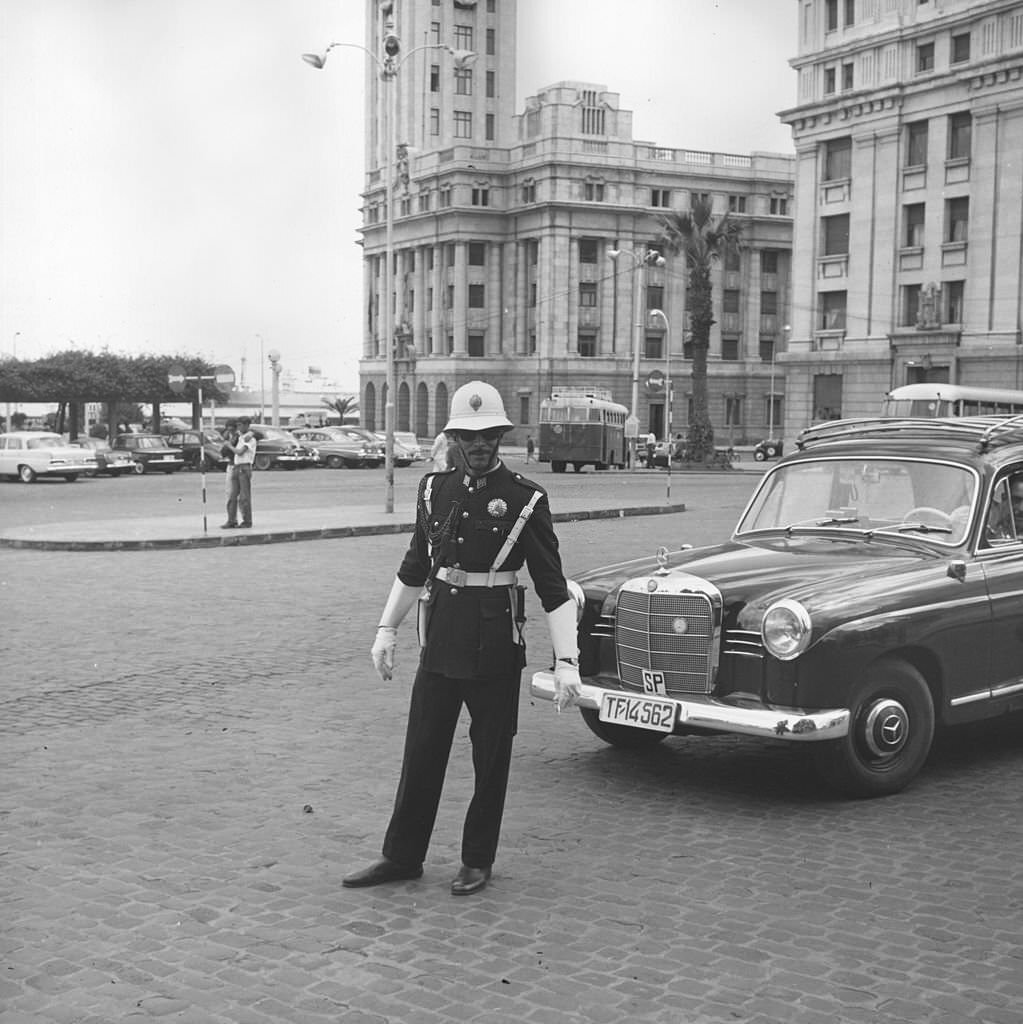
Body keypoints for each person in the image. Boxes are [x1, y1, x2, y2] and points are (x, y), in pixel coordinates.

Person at [343, 380, 583, 896]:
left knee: (489, 759)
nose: (479, 445)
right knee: (421, 751)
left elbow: (552, 585)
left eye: (488, 435)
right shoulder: (434, 490)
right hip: (442, 638)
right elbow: (416, 565)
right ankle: (401, 856)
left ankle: (477, 859)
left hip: (495, 645)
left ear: (500, 437)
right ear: (453, 438)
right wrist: (387, 629)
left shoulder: (525, 498)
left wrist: (568, 661)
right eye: (468, 436)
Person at [222, 417, 256, 528]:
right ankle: (232, 520)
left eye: (240, 425)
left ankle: (247, 521)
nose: (238, 428)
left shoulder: (249, 439)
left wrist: (229, 446)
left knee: (244, 497)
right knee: (232, 495)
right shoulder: (239, 437)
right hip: (236, 467)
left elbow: (240, 452)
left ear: (246, 425)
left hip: (244, 467)